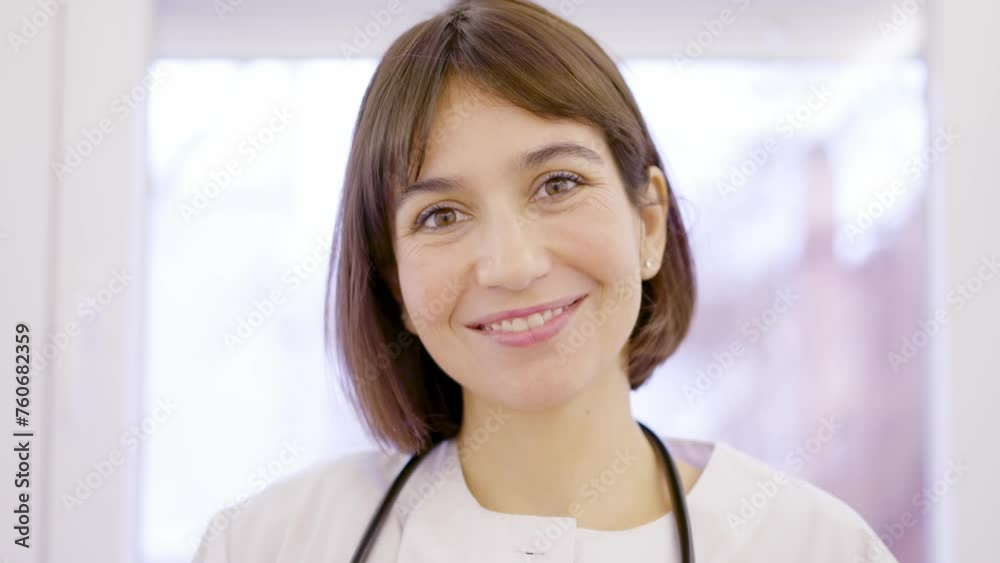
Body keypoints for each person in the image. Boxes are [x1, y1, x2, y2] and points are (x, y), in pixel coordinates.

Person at [193, 1, 898, 561]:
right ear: (396, 283)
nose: (513, 265)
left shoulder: (814, 546)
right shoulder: (271, 544)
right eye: (441, 215)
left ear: (649, 222)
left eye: (558, 184)